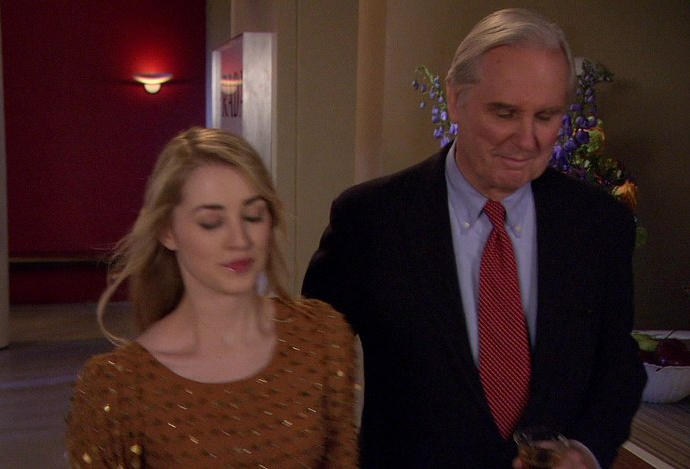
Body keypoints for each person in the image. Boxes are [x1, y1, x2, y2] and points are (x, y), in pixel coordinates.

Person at [302, 8, 645, 469]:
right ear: (455, 99)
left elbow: (617, 365)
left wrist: (586, 452)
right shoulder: (371, 220)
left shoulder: (599, 224)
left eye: (546, 116)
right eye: (505, 113)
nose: (527, 139)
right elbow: (309, 361)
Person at [66, 127, 358, 468]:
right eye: (211, 222)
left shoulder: (321, 336)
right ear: (167, 231)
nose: (240, 240)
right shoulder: (119, 387)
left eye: (253, 215)